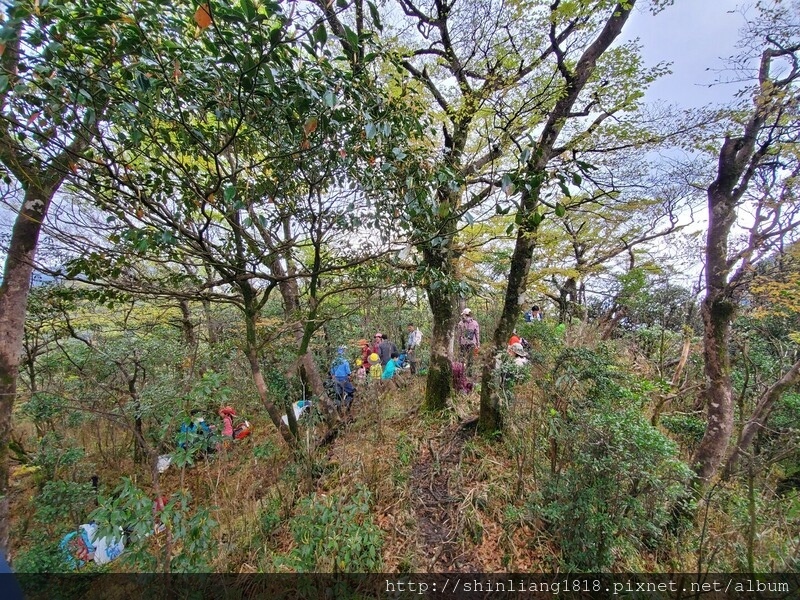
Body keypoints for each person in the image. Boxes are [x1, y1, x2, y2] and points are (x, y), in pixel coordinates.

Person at [456, 308, 480, 376]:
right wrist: (478, 344)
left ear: (465, 314)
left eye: (463, 314)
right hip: (469, 344)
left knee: (464, 358)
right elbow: (477, 334)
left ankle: (462, 373)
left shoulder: (461, 323)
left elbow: (459, 335)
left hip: (465, 344)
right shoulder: (474, 323)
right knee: (469, 359)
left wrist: (459, 343)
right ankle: (467, 373)